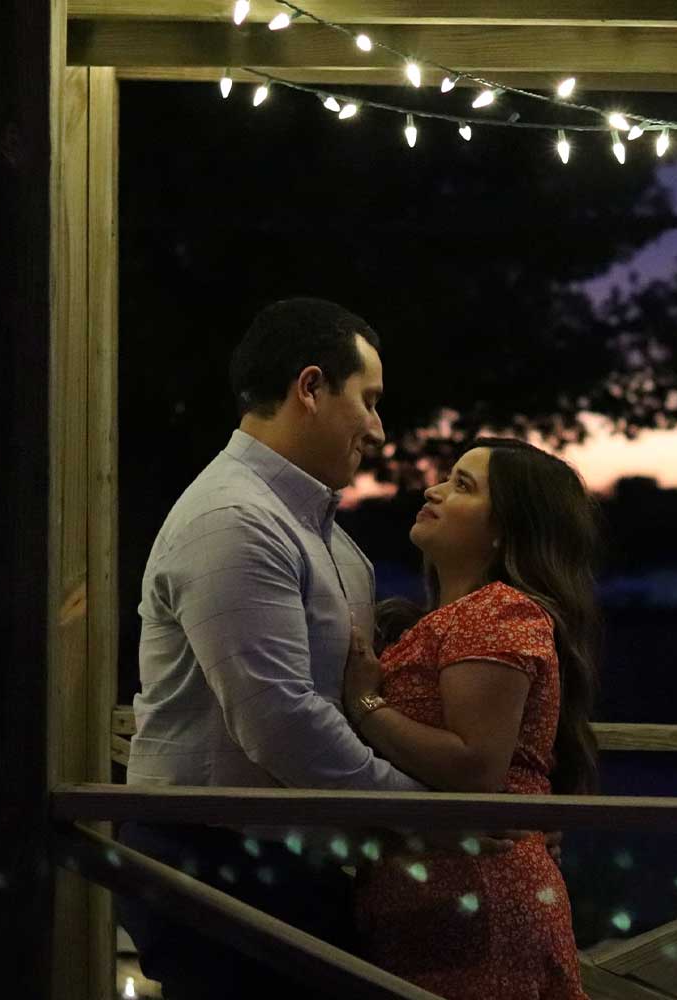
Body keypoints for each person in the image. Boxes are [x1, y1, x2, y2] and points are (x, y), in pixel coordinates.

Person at [118, 297, 425, 998]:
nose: (378, 430)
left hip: (280, 859)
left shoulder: (320, 534)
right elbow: (281, 720)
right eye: (369, 401)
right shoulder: (236, 519)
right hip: (218, 863)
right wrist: (426, 814)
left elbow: (334, 704)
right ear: (310, 388)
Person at [341, 438, 602, 1000]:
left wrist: (366, 705)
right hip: (445, 900)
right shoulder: (451, 618)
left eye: (463, 485)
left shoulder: (498, 612)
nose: (432, 490)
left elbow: (476, 767)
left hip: (482, 895)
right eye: (446, 477)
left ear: (506, 529)